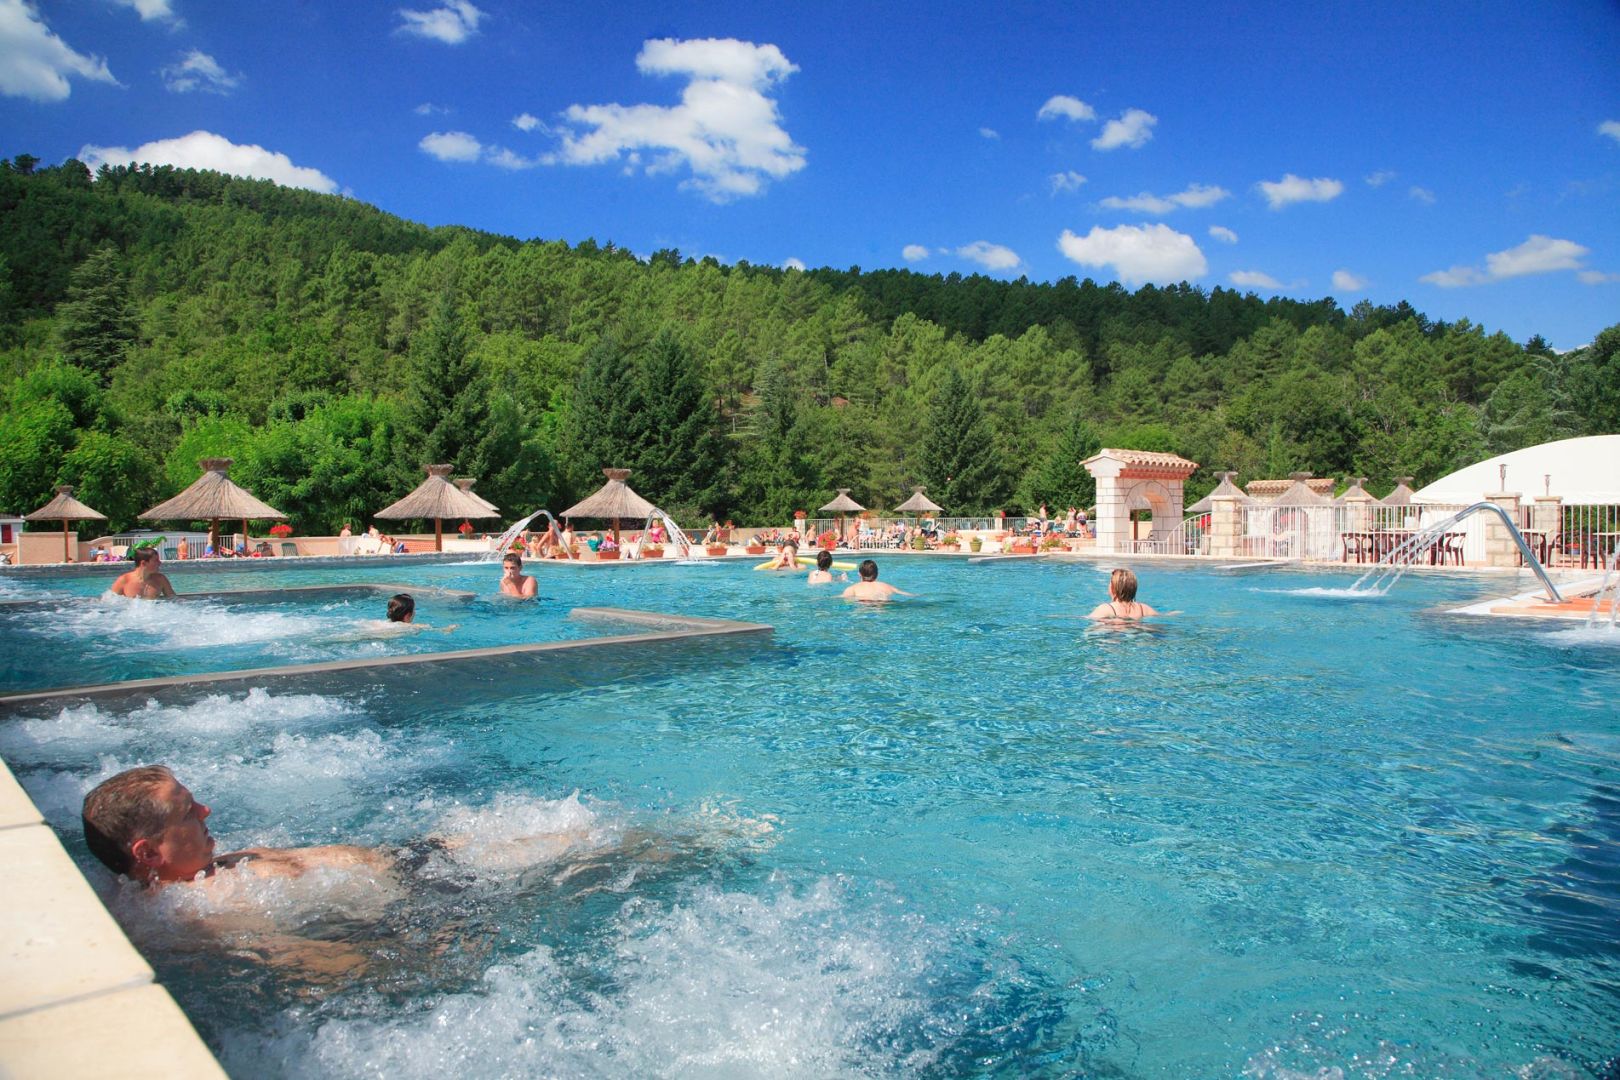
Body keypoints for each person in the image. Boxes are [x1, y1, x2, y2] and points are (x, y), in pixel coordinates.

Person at [82, 765, 389, 887]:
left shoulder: (199, 874)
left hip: (400, 865)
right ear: (149, 853)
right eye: (188, 812)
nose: (205, 811)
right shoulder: (210, 910)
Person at [1087, 567, 1159, 621]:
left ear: (1113, 588)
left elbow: (1088, 624)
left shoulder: (1106, 609)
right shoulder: (1144, 609)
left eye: (1110, 583)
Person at [110, 547, 175, 599]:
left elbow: (173, 599)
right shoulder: (124, 580)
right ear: (143, 563)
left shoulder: (160, 579)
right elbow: (110, 603)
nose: (160, 563)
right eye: (156, 560)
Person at [841, 559, 912, 601]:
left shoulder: (852, 589)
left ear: (859, 574)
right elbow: (908, 595)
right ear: (877, 574)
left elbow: (841, 599)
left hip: (863, 607)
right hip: (883, 605)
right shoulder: (887, 587)